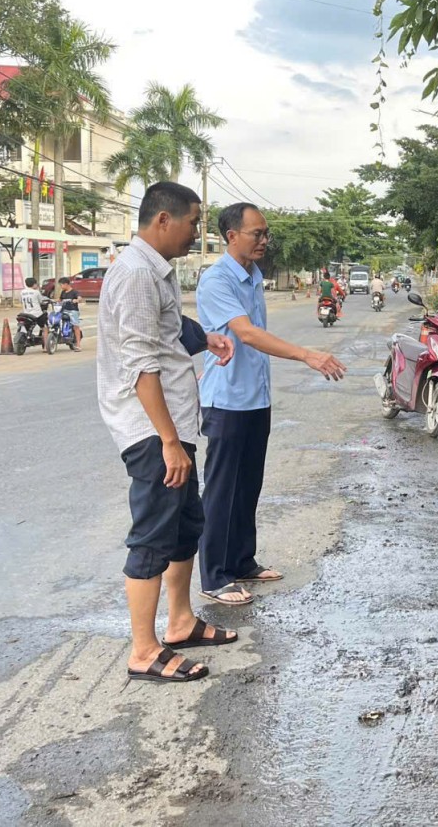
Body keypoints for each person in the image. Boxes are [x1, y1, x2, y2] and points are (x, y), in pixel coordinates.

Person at [96, 182, 236, 684]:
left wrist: (206, 336)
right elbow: (140, 365)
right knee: (154, 536)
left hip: (173, 426)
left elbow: (169, 327)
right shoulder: (134, 274)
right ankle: (143, 650)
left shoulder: (156, 271)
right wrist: (169, 441)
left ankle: (179, 623)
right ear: (162, 220)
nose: (197, 232)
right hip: (153, 431)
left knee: (184, 527)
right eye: (194, 222)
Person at [197, 203, 346, 606]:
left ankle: (242, 560)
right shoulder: (217, 281)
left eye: (266, 234)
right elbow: (246, 333)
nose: (264, 240)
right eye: (257, 234)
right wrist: (306, 355)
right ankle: (214, 575)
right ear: (232, 236)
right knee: (222, 489)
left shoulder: (253, 276)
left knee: (248, 485)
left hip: (254, 398)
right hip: (226, 400)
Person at [20, 276, 48, 347]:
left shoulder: (22, 292)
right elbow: (41, 301)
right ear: (34, 284)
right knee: (44, 328)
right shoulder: (36, 292)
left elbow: (21, 301)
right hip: (37, 314)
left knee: (28, 327)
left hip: (26, 314)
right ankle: (46, 346)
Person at [57, 276, 82, 350]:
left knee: (75, 326)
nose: (61, 286)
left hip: (72, 311)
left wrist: (77, 300)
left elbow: (79, 298)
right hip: (63, 310)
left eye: (61, 285)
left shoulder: (74, 292)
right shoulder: (63, 292)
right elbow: (60, 299)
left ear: (66, 284)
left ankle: (78, 344)